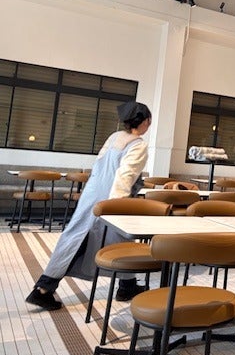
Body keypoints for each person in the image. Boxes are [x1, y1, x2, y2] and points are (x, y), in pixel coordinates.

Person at [25, 101, 152, 311]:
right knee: (84, 240)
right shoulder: (138, 145)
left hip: (92, 193)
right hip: (111, 198)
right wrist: (116, 207)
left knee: (108, 239)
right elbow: (125, 176)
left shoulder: (114, 137)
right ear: (145, 121)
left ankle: (127, 286)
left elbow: (99, 166)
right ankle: (43, 289)